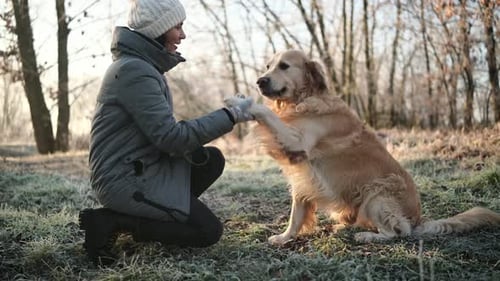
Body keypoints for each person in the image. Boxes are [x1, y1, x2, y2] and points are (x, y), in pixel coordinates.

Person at [79, 0, 254, 265]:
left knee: (210, 159)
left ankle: (162, 213)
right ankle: (111, 221)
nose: (183, 35)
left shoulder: (141, 66)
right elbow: (171, 138)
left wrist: (222, 119)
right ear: (157, 29)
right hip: (124, 179)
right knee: (207, 231)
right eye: (178, 26)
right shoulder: (134, 71)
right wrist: (230, 115)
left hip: (142, 166)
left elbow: (162, 135)